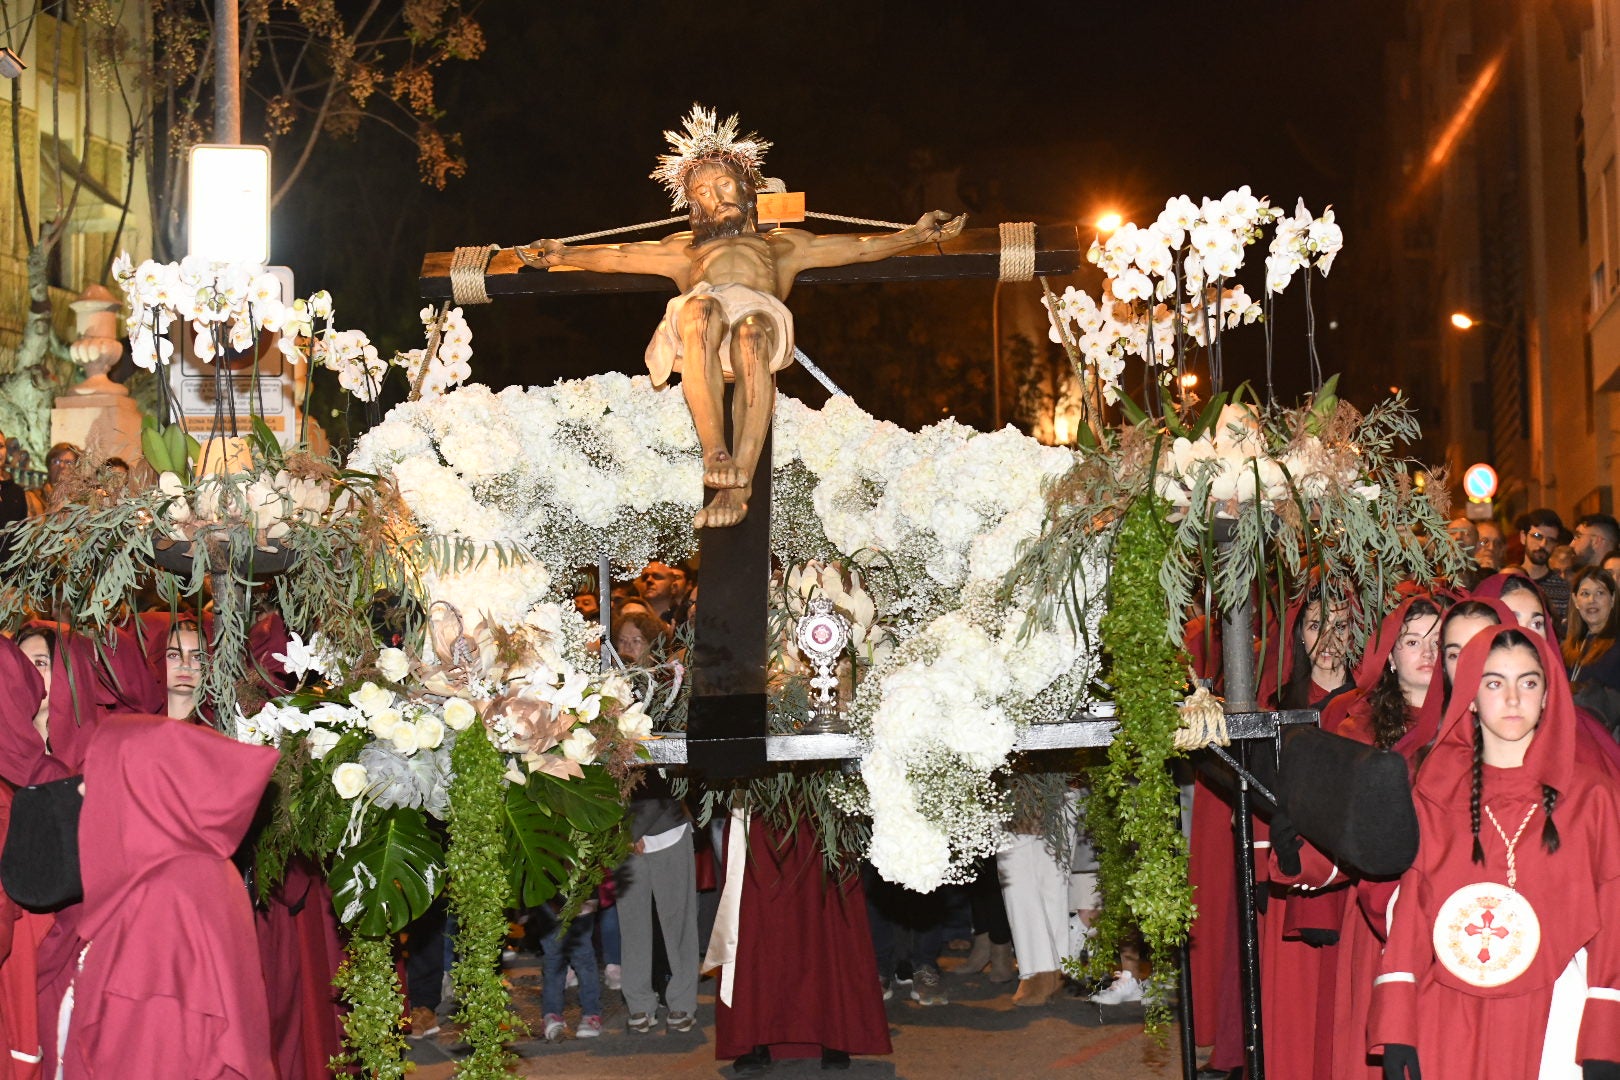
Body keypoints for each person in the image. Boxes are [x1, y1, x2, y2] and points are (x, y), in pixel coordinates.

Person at [519, 105, 964, 528]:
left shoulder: (783, 246)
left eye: (724, 184)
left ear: (748, 186)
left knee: (750, 332)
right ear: (695, 206)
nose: (716, 197)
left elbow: (860, 247)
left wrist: (914, 235)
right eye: (702, 194)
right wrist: (564, 254)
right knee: (701, 308)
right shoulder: (685, 249)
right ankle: (715, 454)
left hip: (758, 318)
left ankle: (738, 485)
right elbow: (619, 255)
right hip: (702, 327)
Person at [1368, 626, 1620, 1078]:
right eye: (1493, 683)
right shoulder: (1435, 793)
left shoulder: (1592, 797)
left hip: (1554, 1015)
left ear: (1548, 695)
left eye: (1528, 682)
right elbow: (1411, 913)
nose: (1512, 699)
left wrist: (1605, 1037)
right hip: (1450, 1012)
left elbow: (1614, 917)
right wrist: (1398, 1025)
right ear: (1468, 696)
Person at [62, 715, 280, 1078]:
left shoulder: (164, 898)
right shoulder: (199, 869)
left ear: (145, 791)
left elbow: (151, 1053)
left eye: (101, 773)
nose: (84, 790)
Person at [708, 813, 890, 1075]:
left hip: (820, 810)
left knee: (826, 919)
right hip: (756, 813)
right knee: (755, 924)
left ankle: (835, 1033)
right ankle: (753, 1034)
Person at [619, 772, 700, 1034]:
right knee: (631, 924)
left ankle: (683, 1003)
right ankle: (639, 1003)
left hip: (667, 828)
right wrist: (621, 833)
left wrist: (631, 832)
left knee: (679, 922)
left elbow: (666, 778)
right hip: (623, 835)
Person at [1564, 566, 1620, 691]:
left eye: (1600, 593)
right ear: (1575, 600)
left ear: (1612, 598)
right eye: (1585, 594)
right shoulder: (1568, 647)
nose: (1592, 600)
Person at [1519, 508, 1570, 636]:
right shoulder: (1508, 581)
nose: (1543, 544)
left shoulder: (1564, 589)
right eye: (1537, 536)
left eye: (1551, 540)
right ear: (1523, 537)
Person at [25, 444, 79, 517]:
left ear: (77, 469)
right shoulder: (33, 497)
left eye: (68, 462)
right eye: (56, 461)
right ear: (49, 466)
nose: (61, 466)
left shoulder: (82, 501)